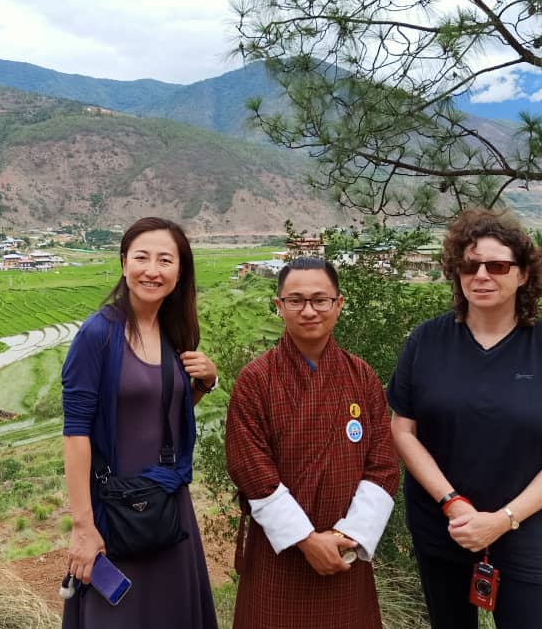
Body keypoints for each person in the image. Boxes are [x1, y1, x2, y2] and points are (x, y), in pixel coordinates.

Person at [387, 208, 542, 629]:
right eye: (469, 265)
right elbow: (403, 429)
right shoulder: (426, 341)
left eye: (497, 265)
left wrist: (502, 519)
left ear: (523, 275)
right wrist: (452, 503)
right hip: (444, 528)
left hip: (525, 530)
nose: (481, 274)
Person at [61, 217, 218, 628]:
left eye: (165, 260)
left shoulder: (174, 332)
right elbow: (76, 434)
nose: (152, 269)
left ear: (179, 271)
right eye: (142, 257)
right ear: (123, 263)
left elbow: (160, 412)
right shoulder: (98, 335)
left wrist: (206, 383)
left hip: (167, 505)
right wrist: (83, 527)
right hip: (115, 510)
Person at [226, 257, 400, 629]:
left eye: (320, 300)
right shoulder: (255, 381)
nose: (309, 310)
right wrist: (305, 539)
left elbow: (383, 464)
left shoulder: (362, 377)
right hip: (281, 549)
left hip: (343, 549)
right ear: (279, 307)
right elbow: (251, 470)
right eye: (296, 300)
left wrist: (348, 534)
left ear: (338, 304)